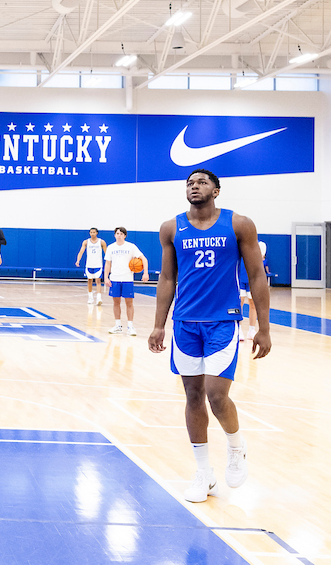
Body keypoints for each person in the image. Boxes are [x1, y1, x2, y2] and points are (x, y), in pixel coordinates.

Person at [149, 168, 272, 504]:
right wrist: (160, 324)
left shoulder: (238, 224)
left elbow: (257, 276)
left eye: (202, 182)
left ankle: (236, 447)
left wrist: (264, 327)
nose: (194, 186)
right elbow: (166, 279)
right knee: (192, 397)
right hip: (185, 323)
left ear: (216, 190)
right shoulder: (171, 228)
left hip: (222, 321)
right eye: (189, 183)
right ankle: (203, 472)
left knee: (217, 395)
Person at [104, 227, 147, 336]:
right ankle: (118, 325)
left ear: (125, 236)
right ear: (115, 235)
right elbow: (108, 264)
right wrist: (106, 277)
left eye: (121, 234)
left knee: (129, 303)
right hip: (115, 278)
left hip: (127, 279)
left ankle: (130, 327)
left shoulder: (131, 247)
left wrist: (145, 273)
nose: (119, 235)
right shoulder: (110, 247)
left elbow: (144, 259)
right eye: (117, 233)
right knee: (116, 302)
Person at [237, 240, 268, 341]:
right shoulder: (239, 243)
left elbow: (261, 259)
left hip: (252, 278)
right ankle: (239, 329)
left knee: (253, 304)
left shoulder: (260, 245)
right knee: (239, 303)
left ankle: (251, 330)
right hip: (240, 277)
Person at [75, 227, 106, 305]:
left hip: (98, 264)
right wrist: (78, 260)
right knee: (89, 280)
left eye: (94, 232)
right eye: (91, 232)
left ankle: (99, 298)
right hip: (89, 264)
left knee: (98, 280)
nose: (92, 234)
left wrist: (109, 262)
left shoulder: (101, 242)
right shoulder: (86, 242)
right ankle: (90, 297)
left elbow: (106, 253)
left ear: (97, 233)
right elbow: (81, 252)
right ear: (89, 233)